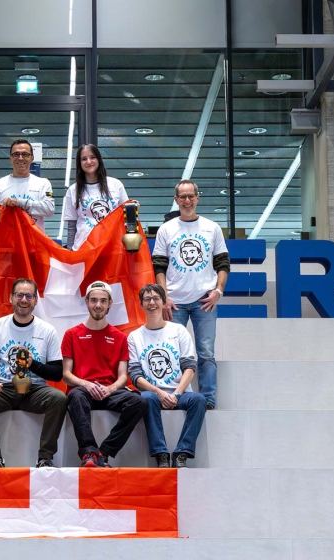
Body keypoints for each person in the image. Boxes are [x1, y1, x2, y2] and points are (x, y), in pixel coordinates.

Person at [0, 278, 67, 468]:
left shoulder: (47, 331)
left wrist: (33, 364)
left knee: (59, 398)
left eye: (29, 296)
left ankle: (45, 457)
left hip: (35, 389)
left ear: (36, 300)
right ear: (11, 298)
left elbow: (56, 374)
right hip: (2, 389)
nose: (24, 300)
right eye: (19, 295)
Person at [153, 180, 228, 410]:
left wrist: (218, 291)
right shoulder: (166, 229)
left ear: (198, 197)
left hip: (203, 301)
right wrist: (163, 296)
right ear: (176, 200)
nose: (187, 201)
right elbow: (158, 266)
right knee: (172, 353)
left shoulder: (212, 227)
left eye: (190, 196)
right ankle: (173, 397)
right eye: (182, 197)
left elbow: (223, 262)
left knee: (206, 352)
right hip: (174, 302)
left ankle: (207, 399)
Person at [61, 281, 146, 467]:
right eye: (93, 300)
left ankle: (104, 453)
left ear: (109, 303)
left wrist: (110, 389)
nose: (98, 305)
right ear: (86, 302)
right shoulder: (71, 334)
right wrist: (86, 384)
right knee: (75, 395)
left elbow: (123, 376)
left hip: (109, 391)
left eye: (102, 301)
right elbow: (66, 374)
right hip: (83, 390)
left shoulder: (120, 337)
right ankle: (88, 453)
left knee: (138, 402)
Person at [128, 284, 204, 468]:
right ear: (141, 305)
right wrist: (159, 393)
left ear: (164, 303)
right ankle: (161, 453)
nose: (152, 302)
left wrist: (176, 393)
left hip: (180, 394)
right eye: (147, 299)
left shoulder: (179, 331)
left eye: (156, 298)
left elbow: (190, 367)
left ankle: (182, 453)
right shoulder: (134, 336)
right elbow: (135, 375)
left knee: (199, 400)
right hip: (153, 394)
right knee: (146, 398)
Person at [62, 144, 128, 250]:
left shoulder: (115, 184)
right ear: (79, 163)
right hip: (83, 249)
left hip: (112, 248)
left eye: (92, 157)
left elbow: (127, 216)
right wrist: (70, 253)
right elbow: (71, 226)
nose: (89, 162)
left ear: (99, 159)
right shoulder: (73, 190)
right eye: (84, 159)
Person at [0, 139, 55, 232]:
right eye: (16, 154)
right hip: (7, 243)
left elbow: (49, 209)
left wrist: (19, 202)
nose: (20, 158)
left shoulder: (43, 183)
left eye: (25, 154)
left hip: (35, 243)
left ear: (32, 158)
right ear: (10, 158)